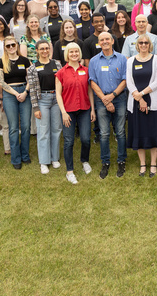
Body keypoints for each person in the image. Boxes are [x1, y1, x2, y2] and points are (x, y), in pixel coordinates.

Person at [126, 34, 157, 177]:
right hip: (136, 103)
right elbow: (129, 82)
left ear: (150, 45)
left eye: (146, 42)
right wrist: (139, 99)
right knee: (139, 133)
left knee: (153, 132)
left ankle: (153, 164)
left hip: (153, 102)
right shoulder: (130, 61)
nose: (143, 45)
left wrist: (141, 94)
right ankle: (143, 164)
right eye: (141, 42)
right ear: (137, 45)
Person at [88, 32, 128, 178]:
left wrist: (112, 96)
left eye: (107, 39)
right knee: (104, 133)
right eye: (101, 40)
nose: (104, 42)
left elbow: (125, 80)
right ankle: (105, 162)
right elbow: (92, 82)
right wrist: (105, 99)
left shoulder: (122, 59)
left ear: (112, 41)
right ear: (98, 43)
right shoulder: (93, 61)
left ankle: (121, 161)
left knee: (121, 132)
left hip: (119, 98)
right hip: (101, 99)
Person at [56, 43, 95, 184]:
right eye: (71, 52)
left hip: (84, 109)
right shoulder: (61, 72)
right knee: (69, 141)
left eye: (76, 51)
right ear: (67, 54)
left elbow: (90, 90)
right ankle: (70, 171)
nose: (74, 54)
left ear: (79, 53)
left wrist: (93, 109)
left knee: (85, 138)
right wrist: (63, 112)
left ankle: (84, 160)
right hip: (68, 111)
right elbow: (58, 95)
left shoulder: (86, 70)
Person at [27, 39, 63, 174]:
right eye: (41, 49)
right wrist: (35, 108)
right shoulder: (32, 68)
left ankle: (54, 158)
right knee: (43, 131)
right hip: (42, 100)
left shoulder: (57, 64)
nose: (44, 51)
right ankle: (44, 161)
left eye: (46, 48)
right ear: (36, 51)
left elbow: (62, 83)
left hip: (56, 99)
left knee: (56, 129)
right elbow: (32, 90)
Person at [0, 36, 32, 169]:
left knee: (26, 126)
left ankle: (25, 155)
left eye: (13, 45)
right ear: (5, 48)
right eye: (8, 46)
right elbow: (1, 82)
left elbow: (30, 78)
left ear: (17, 45)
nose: (11, 48)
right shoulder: (1, 62)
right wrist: (16, 93)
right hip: (10, 94)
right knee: (13, 127)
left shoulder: (24, 60)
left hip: (24, 91)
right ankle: (15, 158)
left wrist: (25, 92)